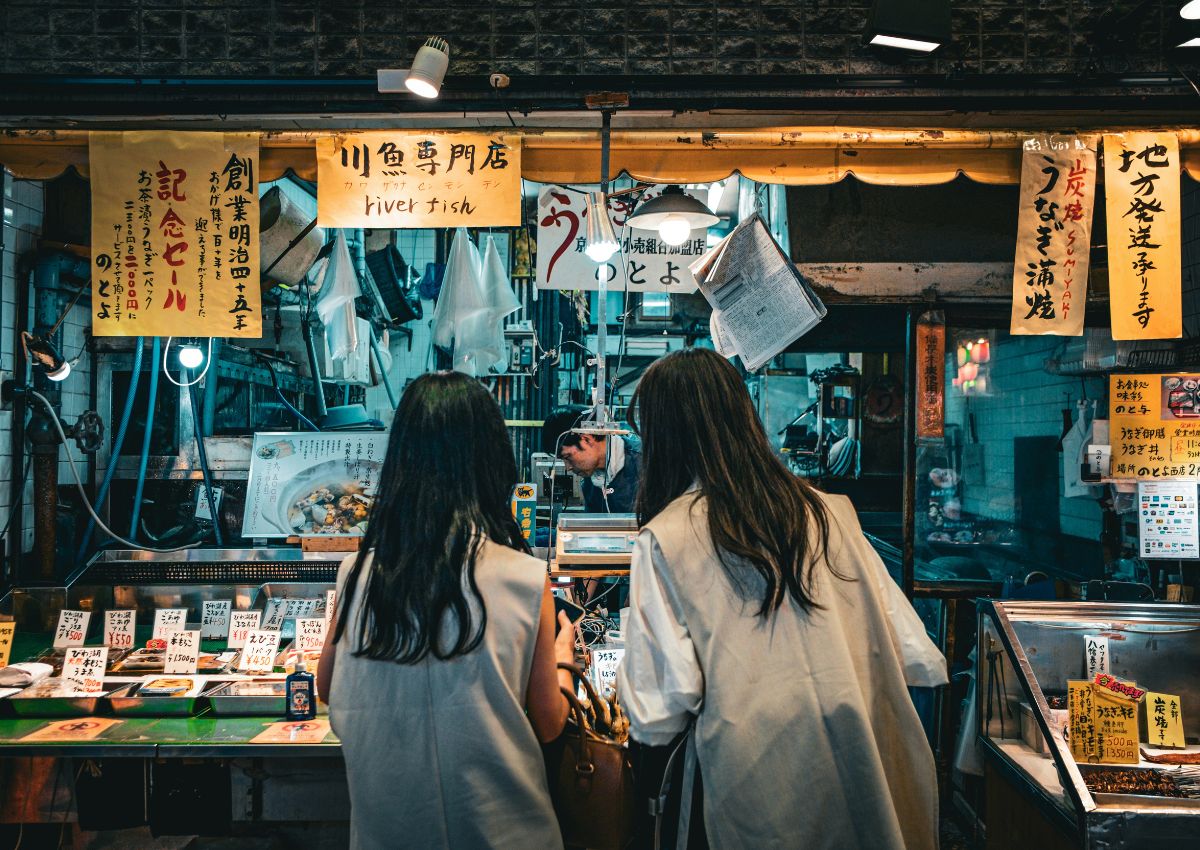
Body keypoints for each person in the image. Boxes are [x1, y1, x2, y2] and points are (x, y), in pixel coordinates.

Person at [617, 348, 947, 850]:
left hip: (753, 789)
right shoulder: (832, 513)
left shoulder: (665, 539)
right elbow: (921, 658)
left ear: (663, 438)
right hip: (863, 770)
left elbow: (658, 714)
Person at [318, 371, 577, 850]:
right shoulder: (523, 577)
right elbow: (549, 721)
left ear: (400, 461)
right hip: (504, 832)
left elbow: (327, 688)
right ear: (492, 461)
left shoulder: (358, 572)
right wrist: (564, 658)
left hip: (388, 832)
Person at [541, 405, 641, 514]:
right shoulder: (591, 483)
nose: (568, 467)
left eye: (567, 457)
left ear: (586, 439)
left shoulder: (644, 463)